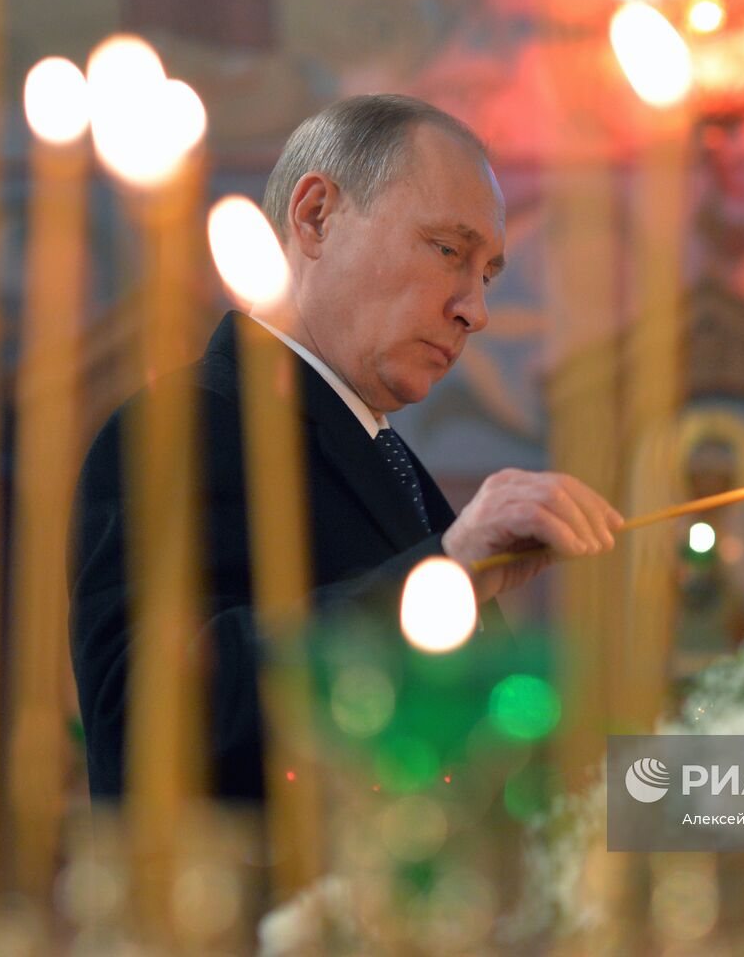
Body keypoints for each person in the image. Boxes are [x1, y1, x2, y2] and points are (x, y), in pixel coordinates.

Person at [69, 95, 621, 799]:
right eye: (449, 250)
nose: (474, 310)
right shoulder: (179, 426)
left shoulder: (378, 451)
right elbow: (144, 724)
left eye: (485, 275)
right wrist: (444, 573)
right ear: (315, 216)